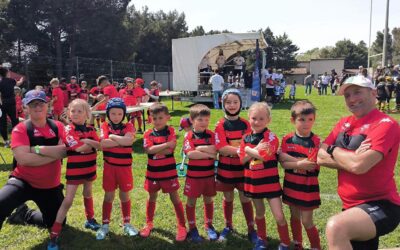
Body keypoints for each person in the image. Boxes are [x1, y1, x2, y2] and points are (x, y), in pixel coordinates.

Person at [317, 75, 400, 250]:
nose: (352, 99)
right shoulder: (344, 123)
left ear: (373, 93)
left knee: (337, 227)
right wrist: (352, 157)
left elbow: (358, 166)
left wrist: (334, 150)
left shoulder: (385, 124)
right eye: (347, 96)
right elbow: (319, 156)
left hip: (381, 204)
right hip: (350, 206)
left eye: (357, 92)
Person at [0, 90, 66, 231]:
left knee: (57, 223)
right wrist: (55, 153)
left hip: (50, 185)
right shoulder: (20, 129)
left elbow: (64, 151)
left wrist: (35, 149)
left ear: (47, 105)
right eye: (33, 104)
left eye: (41, 103)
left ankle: (24, 213)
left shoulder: (58, 126)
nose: (37, 107)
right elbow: (23, 159)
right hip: (23, 181)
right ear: (26, 108)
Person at [47, 99, 101, 250]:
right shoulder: (68, 129)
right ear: (68, 113)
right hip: (75, 170)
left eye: (80, 111)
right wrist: (89, 143)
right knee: (68, 201)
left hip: (90, 168)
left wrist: (88, 142)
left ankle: (90, 219)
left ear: (87, 114)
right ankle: (54, 233)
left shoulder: (91, 129)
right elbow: (78, 148)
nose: (75, 114)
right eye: (73, 111)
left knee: (88, 193)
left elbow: (100, 145)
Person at [238, 102, 290, 250]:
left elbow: (264, 155)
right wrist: (251, 148)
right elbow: (242, 159)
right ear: (249, 118)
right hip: (253, 183)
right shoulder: (245, 138)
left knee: (279, 216)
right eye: (254, 118)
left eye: (262, 118)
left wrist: (248, 150)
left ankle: (285, 242)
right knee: (259, 213)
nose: (257, 122)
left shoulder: (271, 136)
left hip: (270, 183)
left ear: (268, 120)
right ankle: (261, 239)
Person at [214, 89, 257, 243]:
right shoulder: (220, 125)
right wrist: (243, 150)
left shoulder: (246, 124)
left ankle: (251, 228)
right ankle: (228, 225)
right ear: (223, 103)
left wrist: (239, 151)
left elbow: (250, 144)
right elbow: (222, 148)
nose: (232, 105)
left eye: (235, 102)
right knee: (228, 197)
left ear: (240, 103)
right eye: (228, 102)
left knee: (245, 198)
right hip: (226, 168)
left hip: (243, 168)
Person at [140, 104, 187, 241]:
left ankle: (182, 226)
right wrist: (165, 145)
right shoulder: (147, 133)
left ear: (168, 118)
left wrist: (156, 148)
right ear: (150, 119)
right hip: (152, 173)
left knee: (175, 197)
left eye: (160, 118)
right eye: (154, 118)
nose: (157, 120)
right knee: (152, 196)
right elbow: (148, 150)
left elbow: (170, 150)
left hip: (169, 173)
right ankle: (148, 223)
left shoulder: (171, 131)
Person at [279, 100, 321, 250]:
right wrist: (298, 164)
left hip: (308, 187)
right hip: (291, 185)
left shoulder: (316, 142)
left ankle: (316, 246)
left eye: (310, 119)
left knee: (307, 221)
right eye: (302, 120)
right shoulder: (287, 139)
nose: (306, 123)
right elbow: (283, 164)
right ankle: (298, 244)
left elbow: (311, 165)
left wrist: (294, 162)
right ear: (293, 120)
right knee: (295, 216)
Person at [96, 98, 138, 240]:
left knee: (124, 195)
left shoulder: (129, 126)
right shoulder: (104, 126)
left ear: (124, 114)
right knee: (109, 196)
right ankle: (105, 225)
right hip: (109, 167)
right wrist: (120, 141)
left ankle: (127, 223)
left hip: (124, 168)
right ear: (108, 114)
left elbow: (128, 140)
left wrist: (113, 137)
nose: (116, 116)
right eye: (113, 113)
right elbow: (103, 144)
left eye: (120, 114)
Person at [183, 104, 218, 242]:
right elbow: (191, 154)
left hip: (209, 175)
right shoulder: (189, 136)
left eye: (207, 120)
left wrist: (201, 148)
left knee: (208, 199)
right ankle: (192, 228)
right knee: (191, 202)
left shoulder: (212, 135)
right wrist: (208, 153)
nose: (204, 123)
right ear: (192, 120)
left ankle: (209, 225)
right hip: (194, 176)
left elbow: (216, 153)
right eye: (200, 120)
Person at [0, 66, 23, 147]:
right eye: (9, 72)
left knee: (3, 123)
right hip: (11, 103)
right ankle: (16, 139)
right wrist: (21, 80)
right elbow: (18, 83)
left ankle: (6, 141)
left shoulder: (0, 81)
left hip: (2, 104)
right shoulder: (11, 81)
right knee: (15, 121)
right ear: (6, 73)